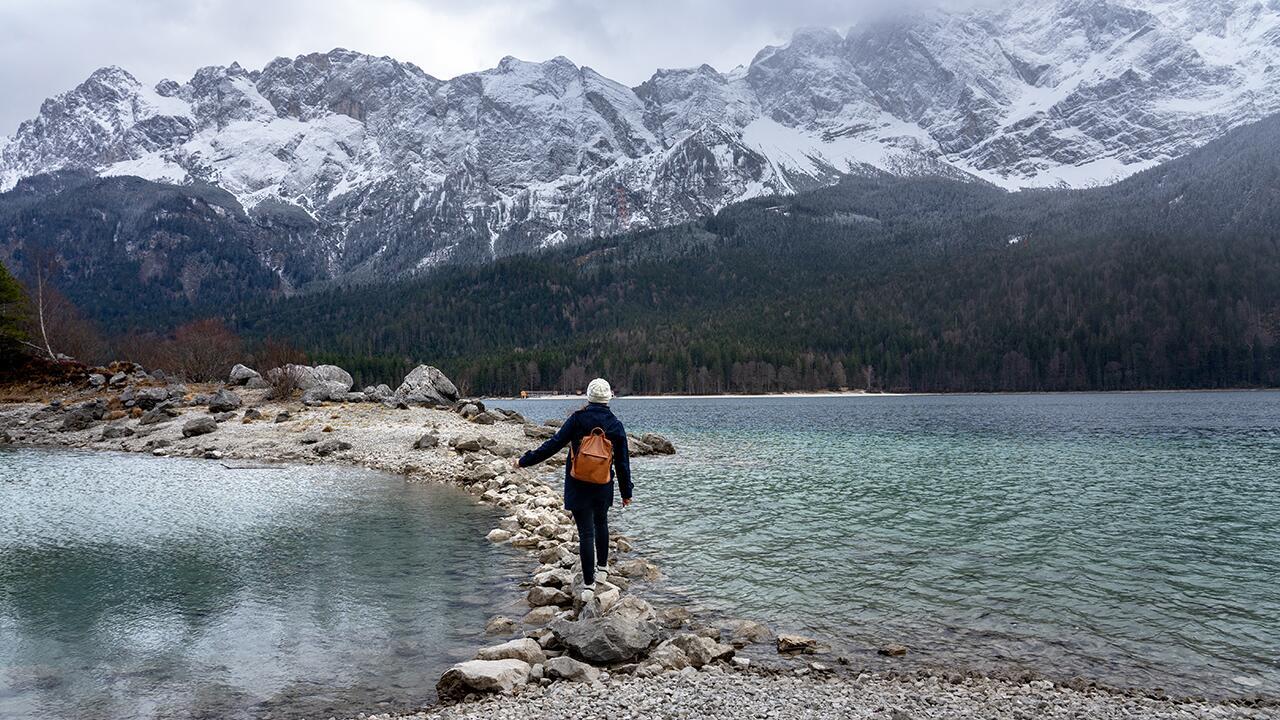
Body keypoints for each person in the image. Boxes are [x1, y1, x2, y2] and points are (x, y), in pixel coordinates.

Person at [513, 377, 632, 599]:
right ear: (608, 398)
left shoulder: (577, 419)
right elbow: (623, 463)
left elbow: (553, 445)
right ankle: (603, 569)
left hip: (578, 484)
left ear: (588, 396)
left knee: (586, 532)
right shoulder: (615, 425)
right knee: (601, 523)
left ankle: (588, 585)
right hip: (603, 484)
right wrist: (627, 492)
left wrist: (525, 460)